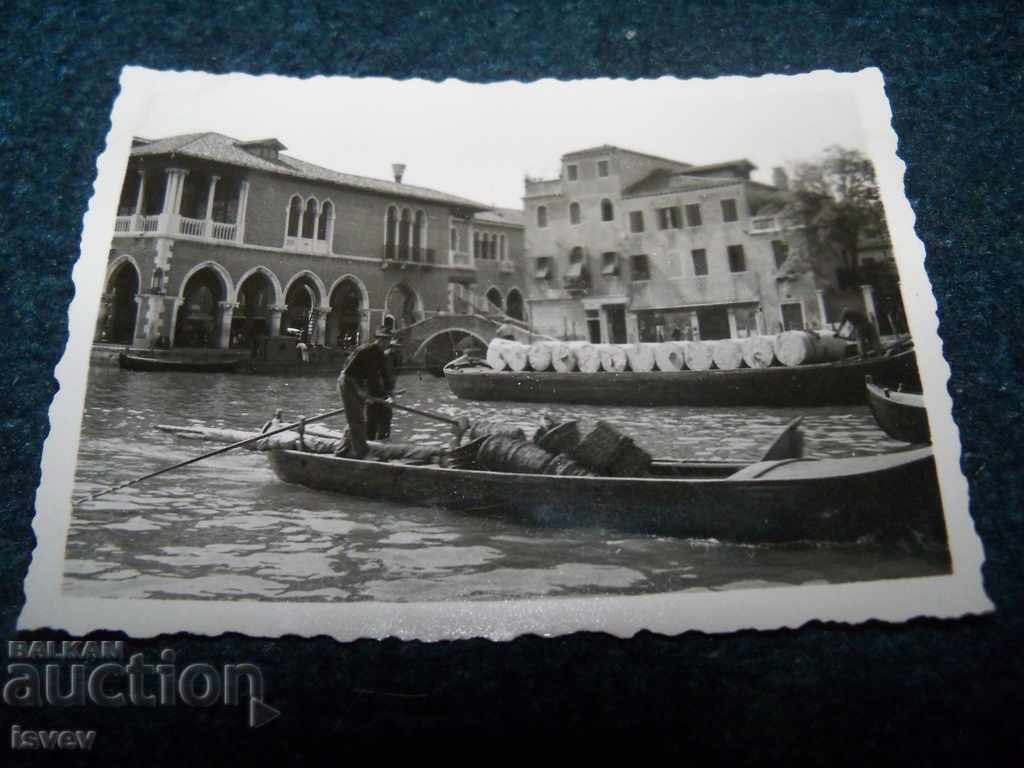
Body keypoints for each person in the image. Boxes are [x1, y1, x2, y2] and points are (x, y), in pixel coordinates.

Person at [337, 328, 392, 458]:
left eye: (387, 340)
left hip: (360, 385)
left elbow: (382, 380)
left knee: (357, 418)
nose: (385, 343)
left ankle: (341, 450)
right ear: (377, 339)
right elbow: (347, 373)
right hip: (347, 383)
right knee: (356, 419)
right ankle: (362, 453)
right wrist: (359, 391)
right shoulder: (363, 350)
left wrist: (388, 397)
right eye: (382, 339)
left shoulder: (381, 356)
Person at [367, 337, 402, 440]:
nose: (396, 350)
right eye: (393, 347)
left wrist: (391, 391)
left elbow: (392, 377)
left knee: (385, 424)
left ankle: (383, 445)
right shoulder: (383, 357)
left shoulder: (396, 358)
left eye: (398, 348)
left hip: (386, 394)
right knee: (371, 425)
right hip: (374, 396)